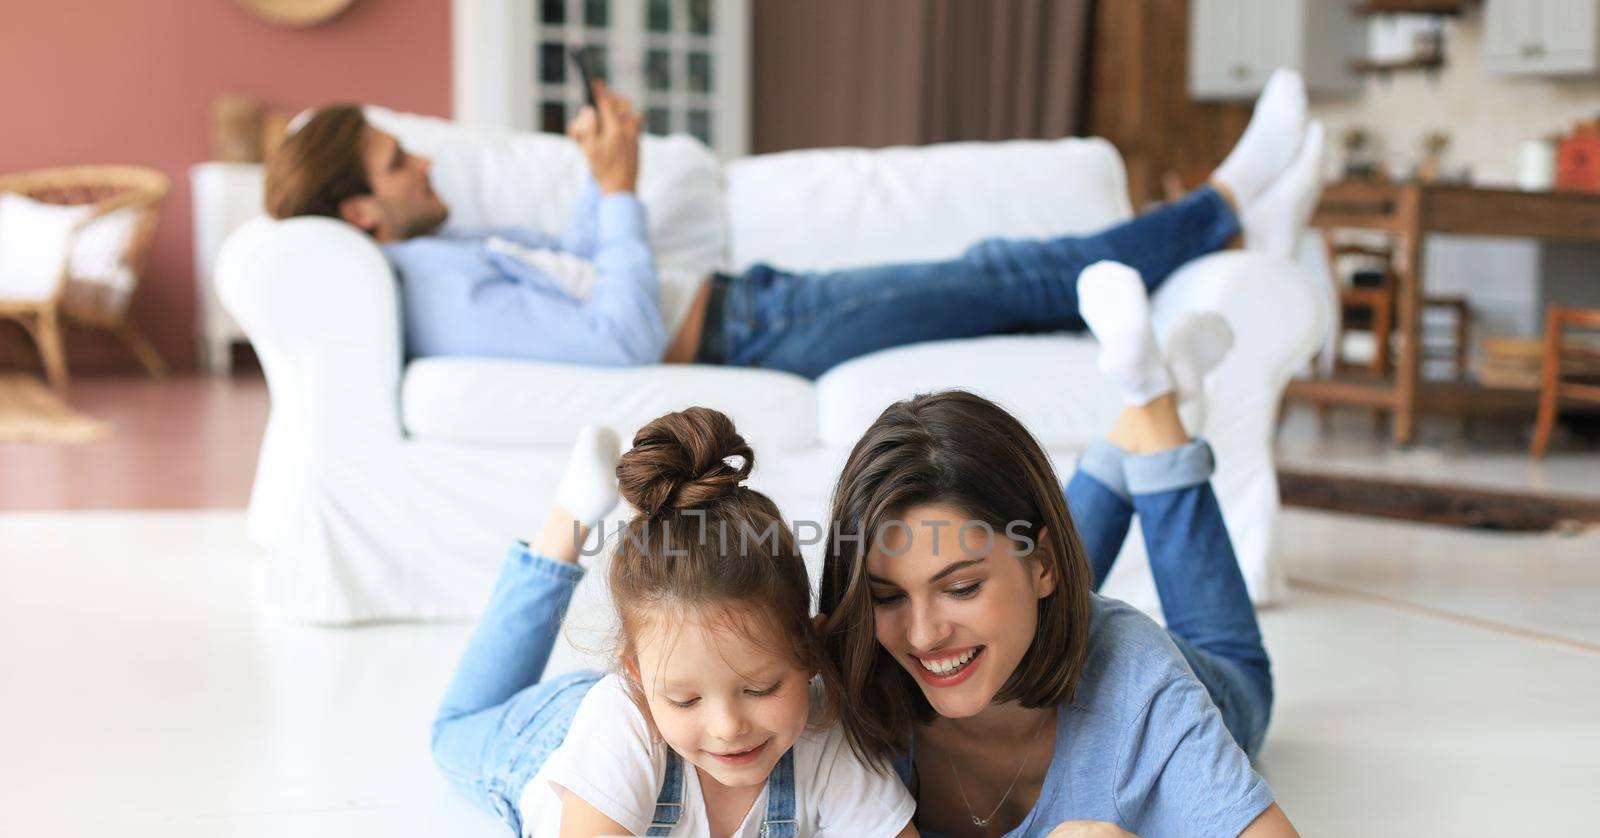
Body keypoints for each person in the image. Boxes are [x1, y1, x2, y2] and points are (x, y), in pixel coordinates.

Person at [814, 261, 1354, 838]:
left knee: (1235, 663)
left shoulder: (1142, 688)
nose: (920, 633)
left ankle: (1154, 406)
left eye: (958, 586)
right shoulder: (853, 665)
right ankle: (1140, 403)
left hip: (1201, 675)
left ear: (1044, 565)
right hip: (1029, 611)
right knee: (999, 598)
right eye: (886, 595)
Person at [262, 71, 1325, 380]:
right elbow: (619, 340)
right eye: (399, 165)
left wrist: (604, 175)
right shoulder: (430, 289)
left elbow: (589, 280)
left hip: (755, 304)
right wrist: (627, 194)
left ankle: (1237, 233)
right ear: (361, 211)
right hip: (757, 334)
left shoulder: (432, 258)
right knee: (1007, 274)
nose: (427, 163)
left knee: (1006, 287)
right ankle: (1226, 203)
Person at [430, 409, 920, 838]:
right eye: (690, 701)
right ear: (636, 675)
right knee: (453, 728)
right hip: (550, 740)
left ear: (810, 651)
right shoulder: (619, 721)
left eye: (761, 687)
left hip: (656, 696)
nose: (728, 726)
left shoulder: (823, 732)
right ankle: (566, 522)